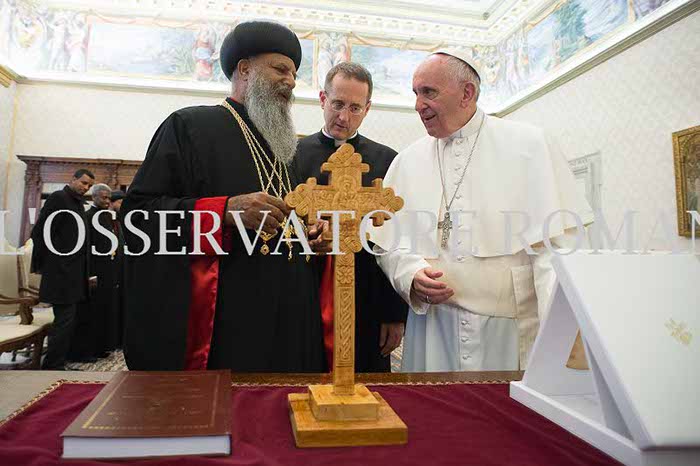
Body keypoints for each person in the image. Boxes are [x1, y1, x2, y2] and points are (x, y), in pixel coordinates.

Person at [370, 50, 592, 372]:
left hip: (509, 332)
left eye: (428, 92)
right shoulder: (407, 160)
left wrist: (559, 343)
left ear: (467, 93)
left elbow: (556, 252)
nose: (418, 105)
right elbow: (387, 244)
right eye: (415, 93)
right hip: (434, 330)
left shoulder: (530, 145)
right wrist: (411, 275)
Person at [122, 21, 326, 372]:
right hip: (228, 321)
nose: (291, 81)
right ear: (244, 69)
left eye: (294, 74)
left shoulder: (286, 147)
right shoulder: (189, 127)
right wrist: (225, 210)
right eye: (280, 69)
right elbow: (139, 216)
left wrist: (310, 233)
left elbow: (289, 221)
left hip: (292, 315)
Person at [294, 62, 407, 372]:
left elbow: (397, 239)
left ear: (367, 109)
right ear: (322, 99)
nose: (344, 117)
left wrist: (394, 313)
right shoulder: (292, 154)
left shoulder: (387, 160)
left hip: (368, 293)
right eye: (337, 104)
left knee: (365, 378)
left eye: (355, 108)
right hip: (306, 292)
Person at [31, 168, 95, 370]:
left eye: (89, 185)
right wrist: (53, 263)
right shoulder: (59, 198)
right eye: (84, 183)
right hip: (61, 273)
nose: (86, 187)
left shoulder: (77, 203)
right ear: (73, 179)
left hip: (74, 274)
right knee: (64, 322)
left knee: (69, 321)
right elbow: (40, 232)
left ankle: (60, 360)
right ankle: (52, 366)